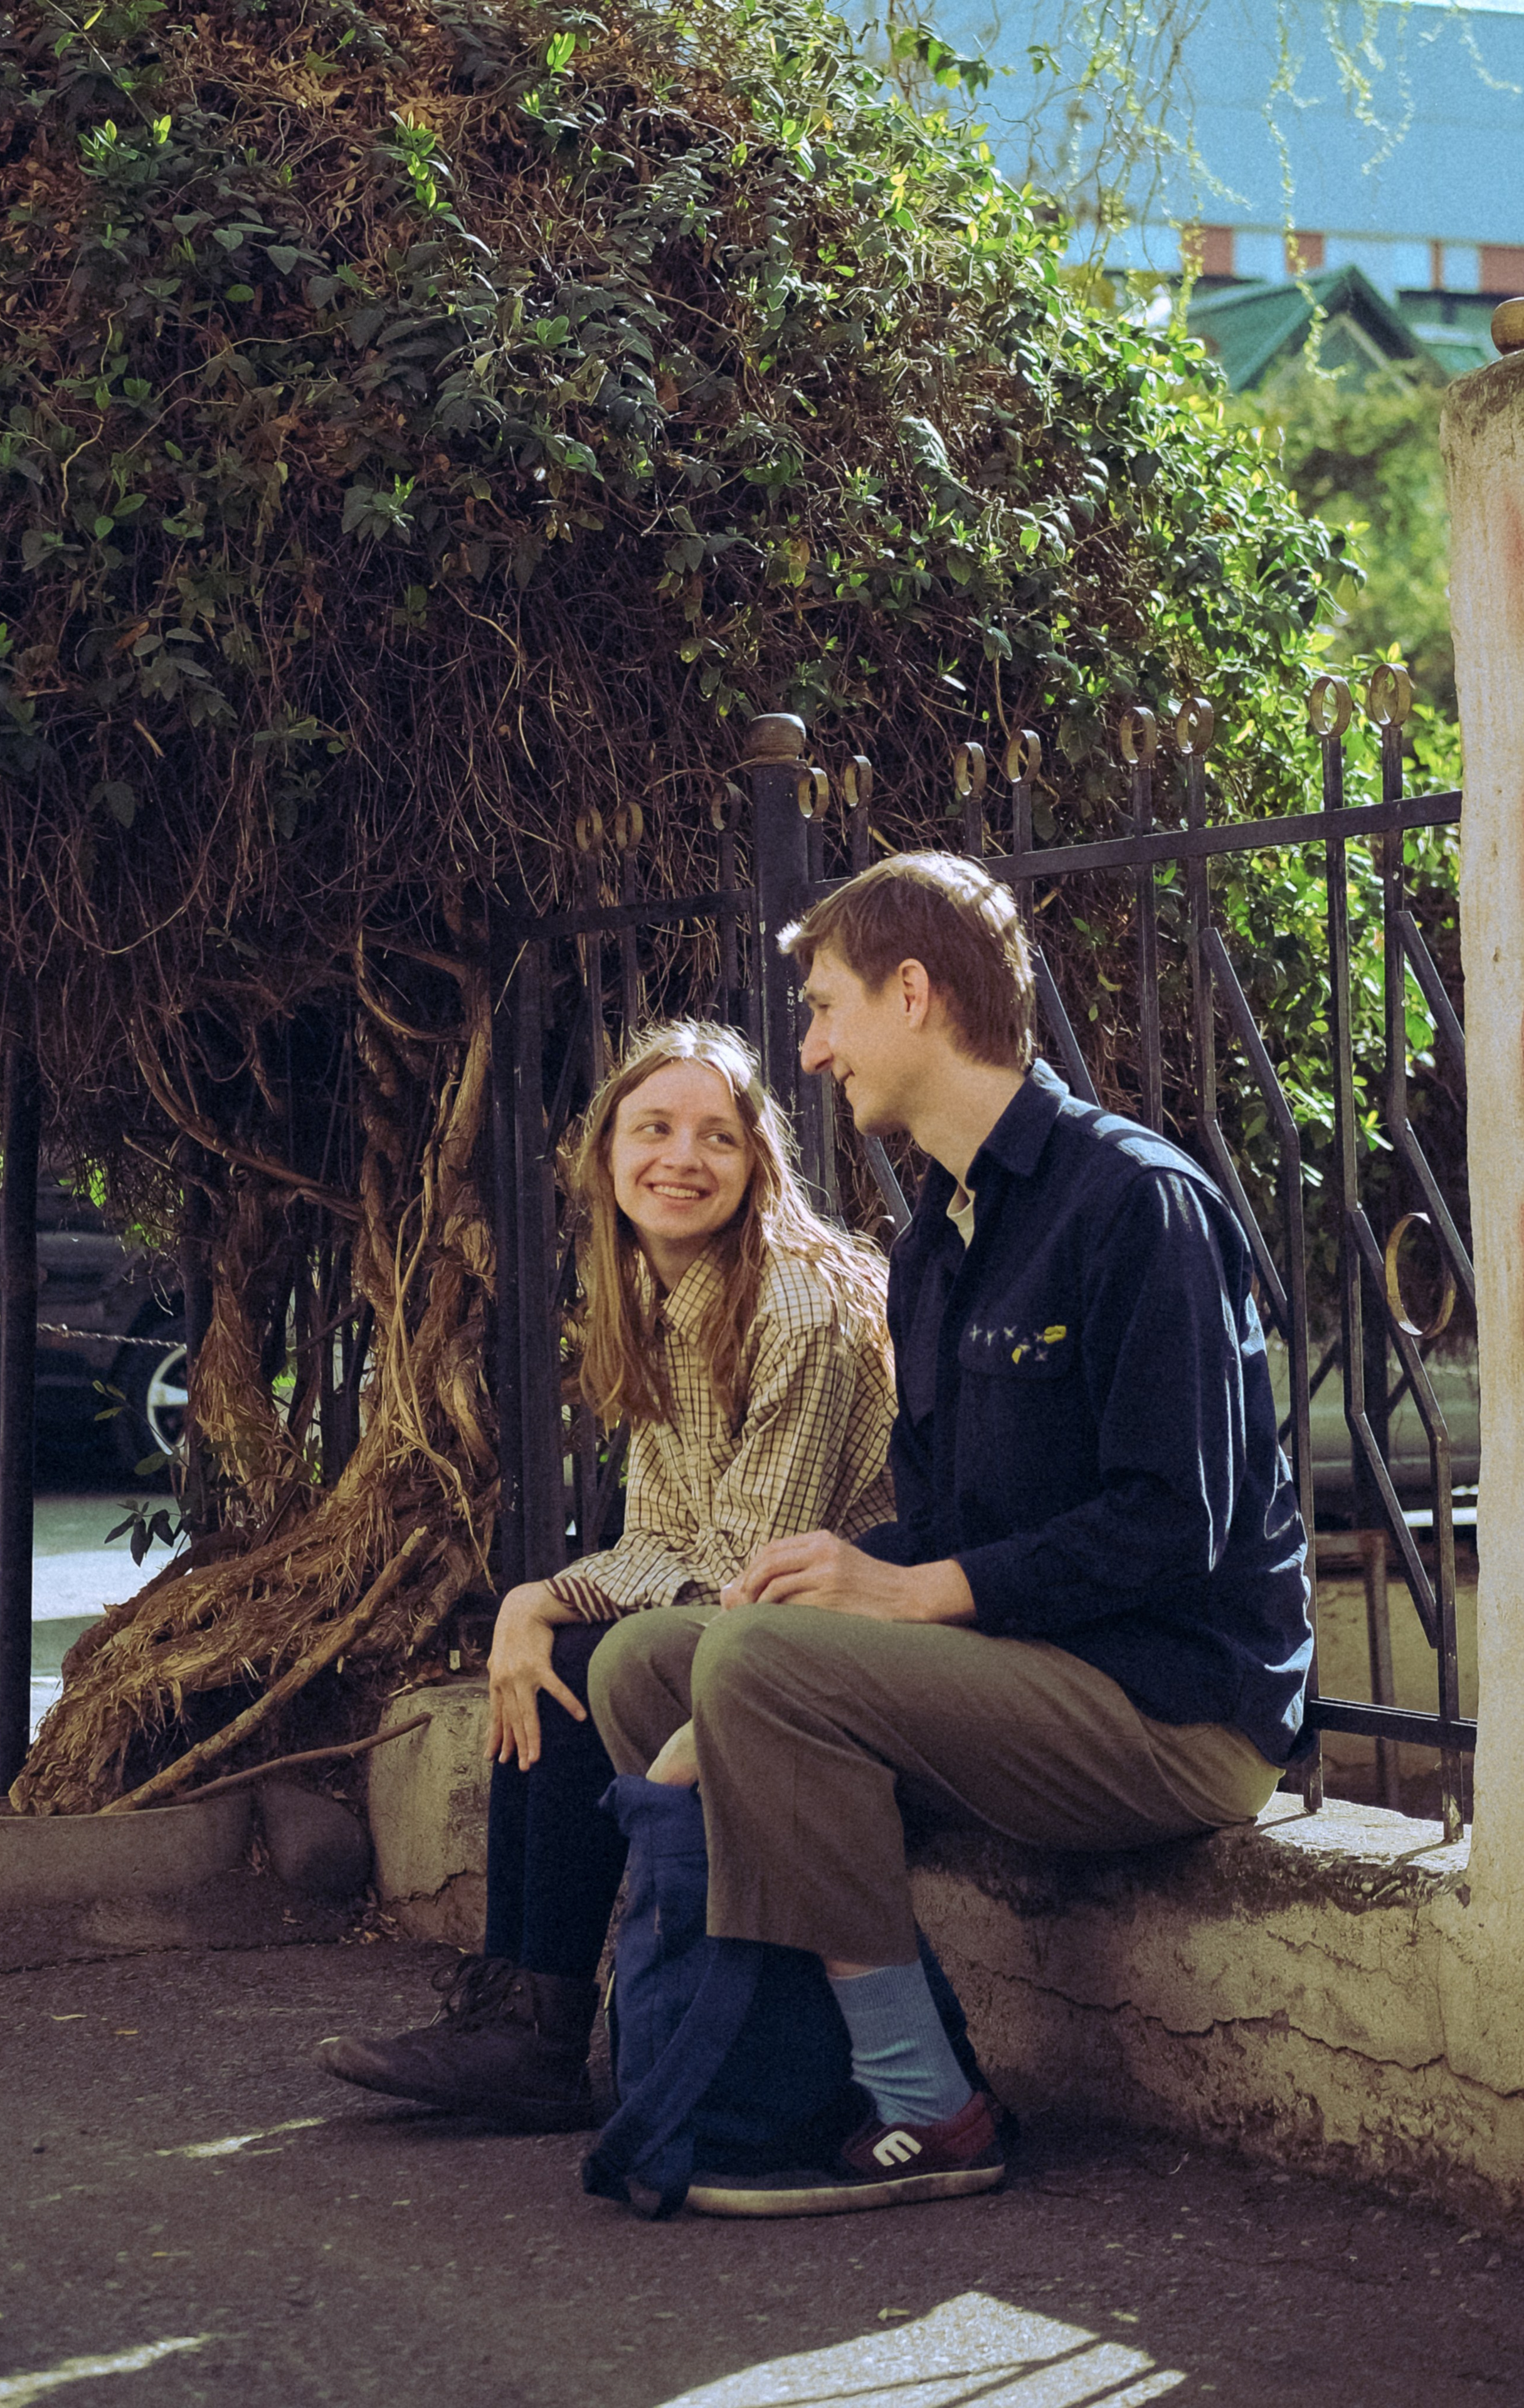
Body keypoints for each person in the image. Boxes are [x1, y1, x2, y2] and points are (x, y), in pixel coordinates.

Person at [588, 852, 1314, 2215]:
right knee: (647, 1663)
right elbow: (940, 1513)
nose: (805, 1053)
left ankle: (931, 2105)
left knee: (755, 1669)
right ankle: (789, 2068)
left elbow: (1176, 1526)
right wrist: (844, 1594)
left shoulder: (1133, 1205)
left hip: (1171, 1710)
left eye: (822, 1009)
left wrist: (909, 1595)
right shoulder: (933, 1240)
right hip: (1017, 1677)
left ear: (911, 995)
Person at [315, 1018, 896, 2126]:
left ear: (759, 1164)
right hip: (759, 1605)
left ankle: (534, 2042)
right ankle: (513, 2012)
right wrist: (532, 1606)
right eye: (655, 1129)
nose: (683, 1158)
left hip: (857, 1629)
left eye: (717, 1137)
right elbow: (661, 1536)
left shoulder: (797, 1303)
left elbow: (739, 1562)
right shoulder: (657, 1299)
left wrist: (550, 1602)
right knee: (551, 1655)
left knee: (585, 1664)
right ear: (606, 1156)